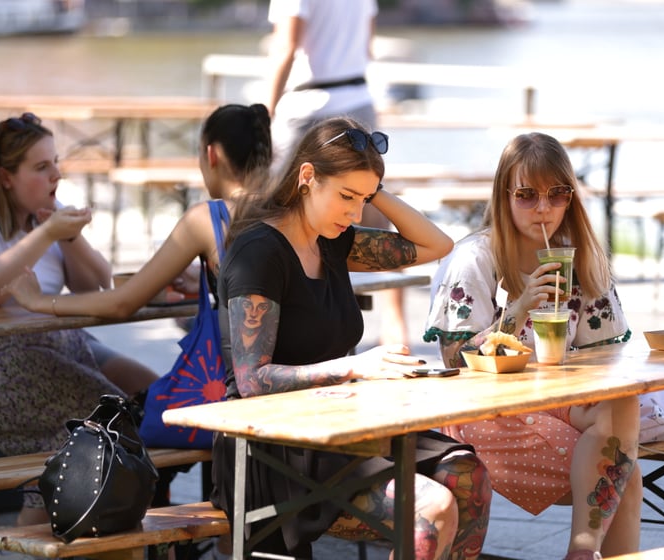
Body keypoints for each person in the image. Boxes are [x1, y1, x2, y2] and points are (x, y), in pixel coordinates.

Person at [211, 116, 492, 559]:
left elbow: (438, 245)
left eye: (364, 200)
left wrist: (370, 185)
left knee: (468, 474)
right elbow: (251, 381)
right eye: (347, 196)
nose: (356, 214)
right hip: (272, 445)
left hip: (339, 426)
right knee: (432, 508)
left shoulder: (333, 243)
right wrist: (355, 366)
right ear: (307, 176)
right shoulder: (259, 253)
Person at [423, 132, 642, 560]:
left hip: (555, 399)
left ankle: (581, 551)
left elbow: (606, 356)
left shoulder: (580, 258)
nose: (543, 208)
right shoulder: (476, 259)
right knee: (623, 475)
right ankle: (583, 551)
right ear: (504, 196)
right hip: (484, 409)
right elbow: (454, 362)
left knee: (623, 403)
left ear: (570, 199)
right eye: (526, 195)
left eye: (557, 194)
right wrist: (520, 307)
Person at [0, 112, 153, 525]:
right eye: (42, 167)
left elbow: (96, 285)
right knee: (113, 426)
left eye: (55, 162)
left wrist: (69, 236)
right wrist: (48, 234)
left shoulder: (46, 216)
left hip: (61, 346)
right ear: (5, 177)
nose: (56, 174)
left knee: (154, 398)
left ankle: (149, 514)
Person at [3, 103, 272, 321]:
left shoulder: (207, 219)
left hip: (249, 373)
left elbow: (122, 303)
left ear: (211, 155)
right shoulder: (286, 206)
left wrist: (38, 301)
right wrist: (209, 278)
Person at [265, 0, 410, 347]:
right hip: (358, 99)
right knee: (368, 206)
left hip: (307, 105)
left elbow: (286, 47)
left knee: (274, 208)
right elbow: (367, 45)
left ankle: (278, 306)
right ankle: (395, 324)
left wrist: (264, 114)